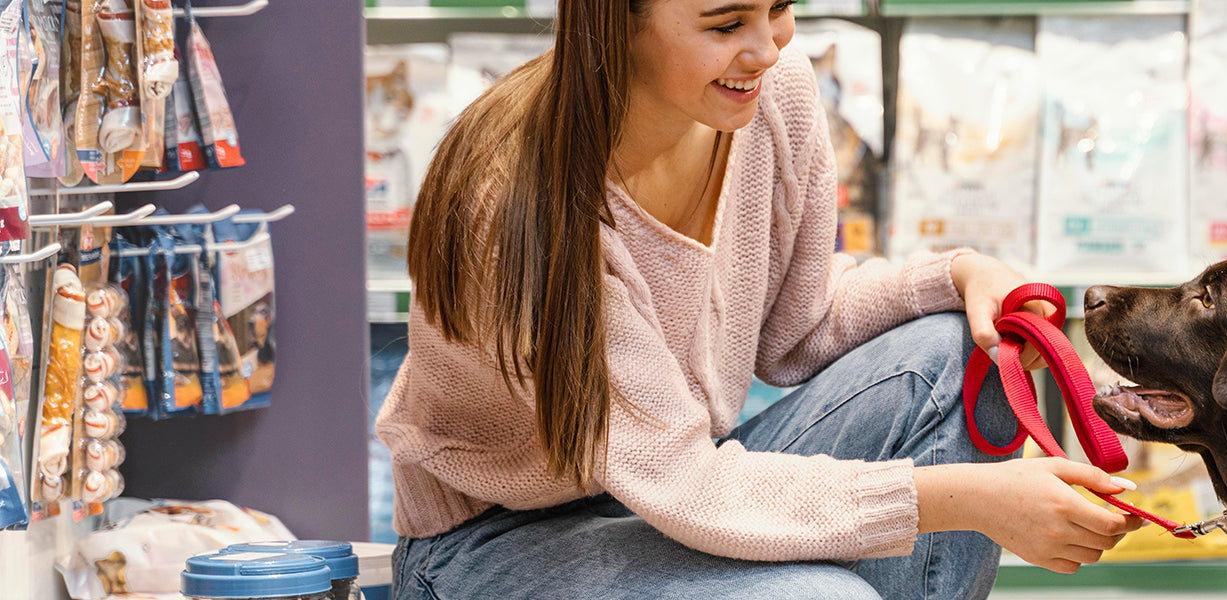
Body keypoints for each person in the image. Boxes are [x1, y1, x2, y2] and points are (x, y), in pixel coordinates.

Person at [374, 1, 1146, 599]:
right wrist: (973, 500)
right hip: (492, 545)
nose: (767, 48)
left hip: (670, 487)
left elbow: (798, 331)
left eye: (779, 7)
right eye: (725, 24)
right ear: (618, 21)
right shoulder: (516, 208)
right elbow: (690, 486)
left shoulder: (771, 95)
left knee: (959, 349)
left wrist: (962, 275)